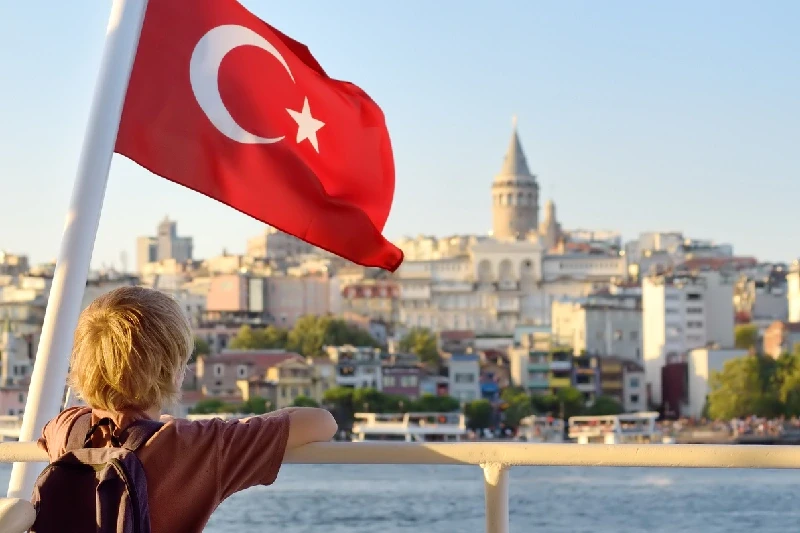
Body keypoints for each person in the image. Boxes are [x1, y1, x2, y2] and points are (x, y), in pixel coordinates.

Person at [36, 286, 337, 532]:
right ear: (174, 369)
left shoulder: (68, 428)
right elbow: (322, 422)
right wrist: (238, 428)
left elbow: (53, 433)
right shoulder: (197, 445)